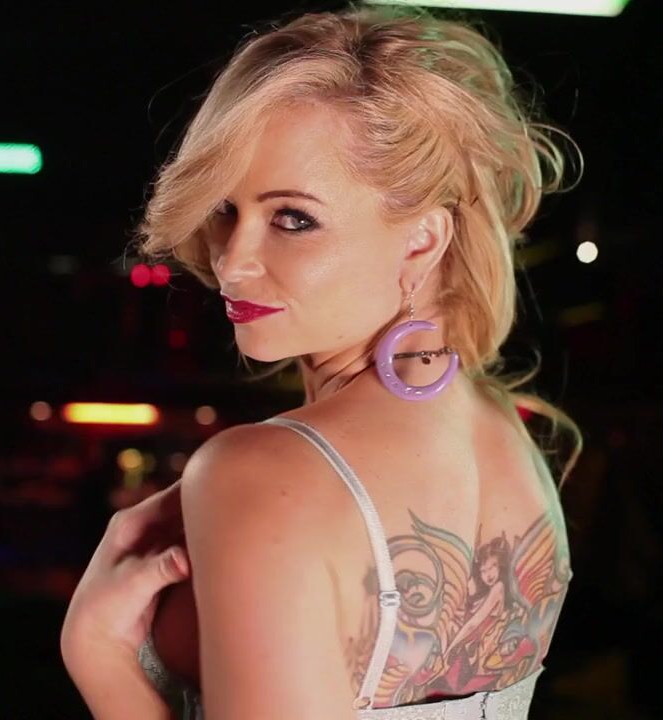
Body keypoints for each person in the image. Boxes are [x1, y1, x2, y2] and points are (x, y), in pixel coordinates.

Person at [62, 4, 583, 718]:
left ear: (423, 240)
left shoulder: (261, 472)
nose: (233, 261)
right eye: (224, 209)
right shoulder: (507, 435)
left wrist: (100, 657)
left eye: (293, 218)